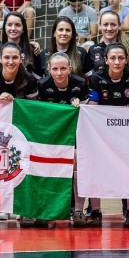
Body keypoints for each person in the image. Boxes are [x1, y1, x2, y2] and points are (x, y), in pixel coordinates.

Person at [87, 43, 129, 227]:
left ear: (127, 60)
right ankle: (95, 210)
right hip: (103, 133)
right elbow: (93, 109)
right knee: (97, 168)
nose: (117, 62)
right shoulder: (96, 78)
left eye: (121, 58)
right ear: (106, 60)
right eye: (113, 58)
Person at [0, 42, 39, 227]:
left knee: (23, 169)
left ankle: (24, 210)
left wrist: (16, 103)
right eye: (7, 57)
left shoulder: (30, 79)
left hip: (21, 133)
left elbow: (33, 111)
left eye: (14, 57)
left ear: (22, 59)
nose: (10, 61)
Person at [38, 52, 89, 227]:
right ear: (49, 70)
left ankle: (78, 210)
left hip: (75, 134)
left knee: (77, 167)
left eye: (63, 69)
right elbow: (41, 115)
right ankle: (49, 210)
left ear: (70, 68)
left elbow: (89, 113)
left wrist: (81, 105)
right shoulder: (43, 85)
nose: (59, 73)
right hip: (52, 135)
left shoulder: (80, 84)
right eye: (55, 69)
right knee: (50, 168)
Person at [0, 11, 43, 78]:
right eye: (9, 25)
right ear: (4, 28)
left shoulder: (33, 49)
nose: (13, 28)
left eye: (17, 25)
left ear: (23, 28)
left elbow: (39, 76)